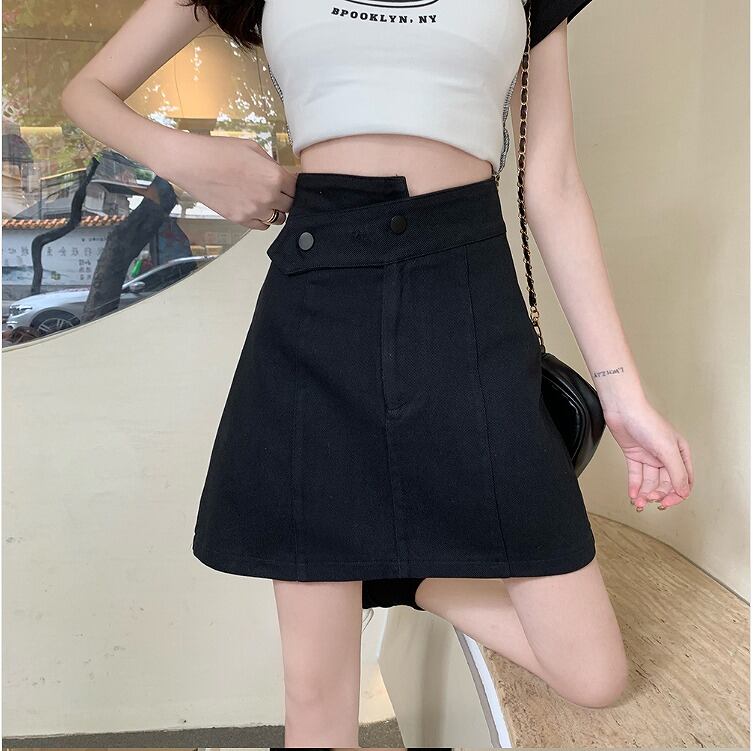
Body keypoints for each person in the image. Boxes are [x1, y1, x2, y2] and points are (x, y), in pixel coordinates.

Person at [61, 0, 695, 746]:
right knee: (318, 698)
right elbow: (87, 91)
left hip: (468, 297)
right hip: (320, 297)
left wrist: (623, 395)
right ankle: (390, 572)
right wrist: (189, 158)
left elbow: (550, 184)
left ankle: (412, 581)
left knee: (594, 674)